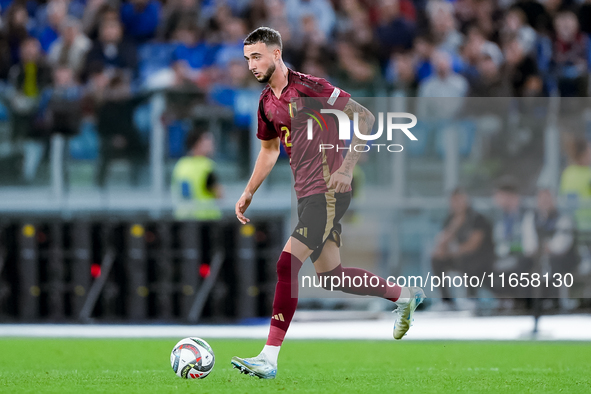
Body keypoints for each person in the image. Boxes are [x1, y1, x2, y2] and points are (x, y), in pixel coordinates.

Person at [231, 27, 425, 379]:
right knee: (331, 276)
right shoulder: (266, 103)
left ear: (277, 54)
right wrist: (249, 191)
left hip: (330, 191)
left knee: (286, 265)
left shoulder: (309, 87)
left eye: (257, 56)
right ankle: (403, 296)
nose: (251, 65)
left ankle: (268, 357)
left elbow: (365, 117)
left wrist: (348, 169)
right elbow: (269, 150)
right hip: (307, 194)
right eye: (247, 59)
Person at [431, 188, 494, 309]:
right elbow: (440, 244)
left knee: (467, 258)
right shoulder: (450, 219)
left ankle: (471, 298)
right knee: (436, 260)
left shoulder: (478, 219)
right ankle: (446, 301)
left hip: (480, 259)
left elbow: (472, 246)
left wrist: (452, 252)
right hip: (459, 256)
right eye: (454, 201)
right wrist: (454, 225)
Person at [171, 127, 223, 221]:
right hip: (206, 218)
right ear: (197, 144)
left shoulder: (180, 165)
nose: (212, 145)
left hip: (183, 217)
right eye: (208, 142)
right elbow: (219, 194)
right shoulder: (207, 166)